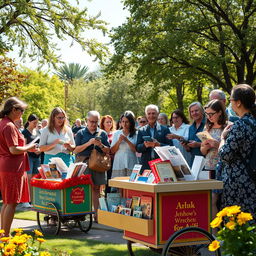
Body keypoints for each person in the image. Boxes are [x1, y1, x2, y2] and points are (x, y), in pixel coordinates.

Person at [0, 97, 38, 236]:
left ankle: (3, 234)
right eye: (21, 110)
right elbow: (13, 149)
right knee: (11, 202)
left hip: (8, 166)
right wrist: (29, 146)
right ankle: (5, 235)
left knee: (8, 202)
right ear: (13, 109)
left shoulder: (5, 123)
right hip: (12, 167)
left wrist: (27, 148)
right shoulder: (8, 125)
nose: (22, 113)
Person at [218, 84, 256, 218]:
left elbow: (225, 155)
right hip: (250, 178)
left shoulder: (239, 125)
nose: (230, 103)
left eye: (231, 100)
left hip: (237, 182)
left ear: (238, 103)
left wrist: (222, 138)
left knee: (236, 224)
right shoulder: (253, 122)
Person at [74, 111, 110, 222]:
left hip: (98, 164)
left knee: (97, 189)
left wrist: (101, 145)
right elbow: (75, 150)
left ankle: (97, 215)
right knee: (84, 189)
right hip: (84, 163)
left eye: (96, 122)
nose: (94, 124)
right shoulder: (80, 133)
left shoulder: (102, 133)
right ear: (86, 121)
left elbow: (108, 150)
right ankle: (82, 214)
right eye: (91, 121)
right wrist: (89, 143)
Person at [200, 100, 228, 233]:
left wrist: (217, 145)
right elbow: (202, 151)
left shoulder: (228, 127)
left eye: (211, 114)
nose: (209, 117)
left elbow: (230, 150)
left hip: (223, 167)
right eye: (207, 114)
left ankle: (221, 232)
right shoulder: (207, 128)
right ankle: (214, 233)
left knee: (220, 200)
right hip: (209, 167)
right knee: (211, 200)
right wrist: (205, 147)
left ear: (220, 112)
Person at [136, 104, 172, 170]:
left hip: (161, 163)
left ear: (157, 114)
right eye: (149, 113)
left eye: (153, 113)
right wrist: (144, 145)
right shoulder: (141, 130)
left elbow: (170, 147)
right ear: (146, 115)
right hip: (146, 165)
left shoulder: (165, 129)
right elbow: (138, 148)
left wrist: (159, 145)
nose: (151, 116)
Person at [111, 111, 138, 178]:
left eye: (127, 122)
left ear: (131, 122)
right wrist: (119, 141)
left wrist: (127, 140)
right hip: (119, 163)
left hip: (131, 162)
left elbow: (136, 150)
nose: (124, 124)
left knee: (131, 185)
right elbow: (112, 151)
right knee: (119, 186)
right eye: (123, 121)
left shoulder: (136, 134)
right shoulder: (116, 133)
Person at [22, 114, 41, 207]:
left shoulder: (38, 132)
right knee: (28, 179)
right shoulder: (24, 132)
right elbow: (23, 147)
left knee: (34, 179)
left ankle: (33, 200)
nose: (36, 124)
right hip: (28, 157)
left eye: (37, 123)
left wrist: (39, 150)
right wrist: (32, 150)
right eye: (34, 122)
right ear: (29, 121)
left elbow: (40, 144)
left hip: (37, 158)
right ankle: (27, 199)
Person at [182, 102, 205, 167]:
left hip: (206, 161)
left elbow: (212, 143)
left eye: (196, 110)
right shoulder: (191, 127)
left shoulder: (208, 124)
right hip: (194, 161)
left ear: (202, 111)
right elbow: (189, 149)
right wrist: (186, 146)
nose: (194, 113)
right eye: (192, 111)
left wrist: (198, 144)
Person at [100, 115, 116, 195]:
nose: (109, 123)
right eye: (107, 122)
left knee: (110, 179)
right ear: (103, 123)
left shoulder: (115, 133)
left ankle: (109, 196)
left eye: (110, 122)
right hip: (102, 160)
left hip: (113, 159)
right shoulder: (100, 133)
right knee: (102, 180)